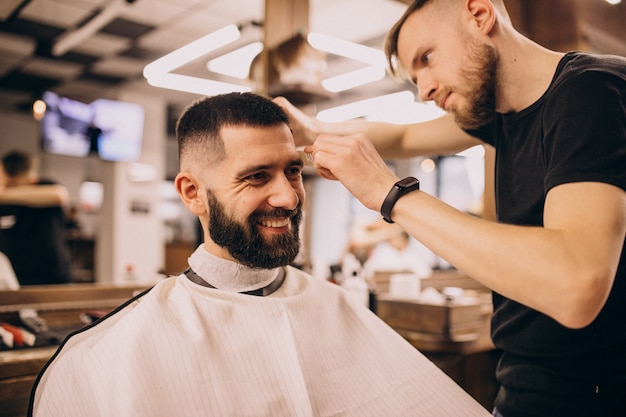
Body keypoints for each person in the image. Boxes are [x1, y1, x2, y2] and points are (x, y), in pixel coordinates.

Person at [28, 92, 491, 417]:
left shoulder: (335, 306)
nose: (289, 197)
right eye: (256, 177)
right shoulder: (106, 357)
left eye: (293, 171)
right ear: (193, 193)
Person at [274, 1, 626, 416]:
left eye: (426, 58)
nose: (423, 90)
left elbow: (576, 285)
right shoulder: (505, 115)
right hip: (523, 388)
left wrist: (391, 194)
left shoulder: (590, 91)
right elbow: (404, 139)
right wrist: (316, 131)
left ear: (479, 15)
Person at [0, 150, 72, 285]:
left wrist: (4, 194)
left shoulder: (44, 187)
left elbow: (59, 195)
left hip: (52, 277)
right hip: (16, 279)